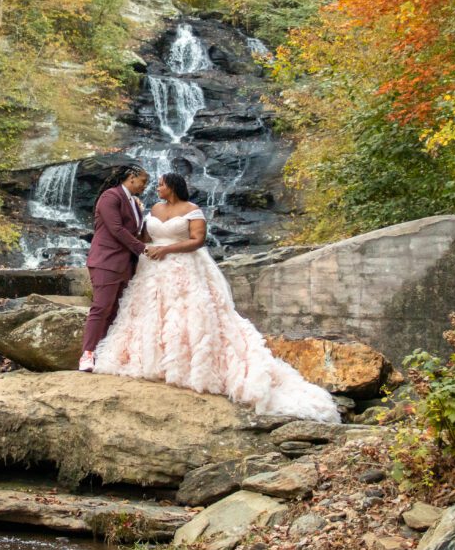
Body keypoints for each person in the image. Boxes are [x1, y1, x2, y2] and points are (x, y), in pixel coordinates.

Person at [93, 173, 341, 422]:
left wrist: (166, 249)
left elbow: (197, 240)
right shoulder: (153, 208)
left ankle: (187, 367)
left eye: (160, 184)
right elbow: (144, 238)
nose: (155, 188)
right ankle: (154, 362)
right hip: (153, 269)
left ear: (172, 187)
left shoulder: (193, 210)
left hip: (183, 266)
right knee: (151, 312)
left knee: (188, 313)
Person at [79, 164, 151, 372]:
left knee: (115, 311)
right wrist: (143, 249)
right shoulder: (110, 196)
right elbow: (116, 229)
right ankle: (87, 354)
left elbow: (135, 230)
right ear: (131, 177)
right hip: (107, 260)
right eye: (143, 181)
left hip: (126, 264)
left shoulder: (134, 203)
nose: (145, 186)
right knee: (101, 307)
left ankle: (103, 352)